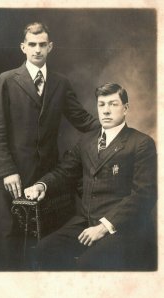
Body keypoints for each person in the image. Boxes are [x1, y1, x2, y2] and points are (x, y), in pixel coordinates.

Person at [0, 22, 99, 270]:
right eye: (32, 45)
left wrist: (115, 131)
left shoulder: (60, 82)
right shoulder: (6, 80)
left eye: (42, 45)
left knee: (44, 246)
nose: (37, 50)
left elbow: (82, 119)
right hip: (9, 179)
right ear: (23, 47)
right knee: (9, 246)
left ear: (50, 47)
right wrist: (7, 170)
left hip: (45, 181)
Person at [24, 82, 157, 271]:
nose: (106, 111)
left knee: (88, 264)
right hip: (85, 222)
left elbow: (144, 195)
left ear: (125, 108)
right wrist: (42, 185)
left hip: (122, 227)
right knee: (43, 250)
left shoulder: (141, 143)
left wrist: (103, 227)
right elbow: (64, 172)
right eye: (102, 105)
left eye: (113, 104)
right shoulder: (87, 140)